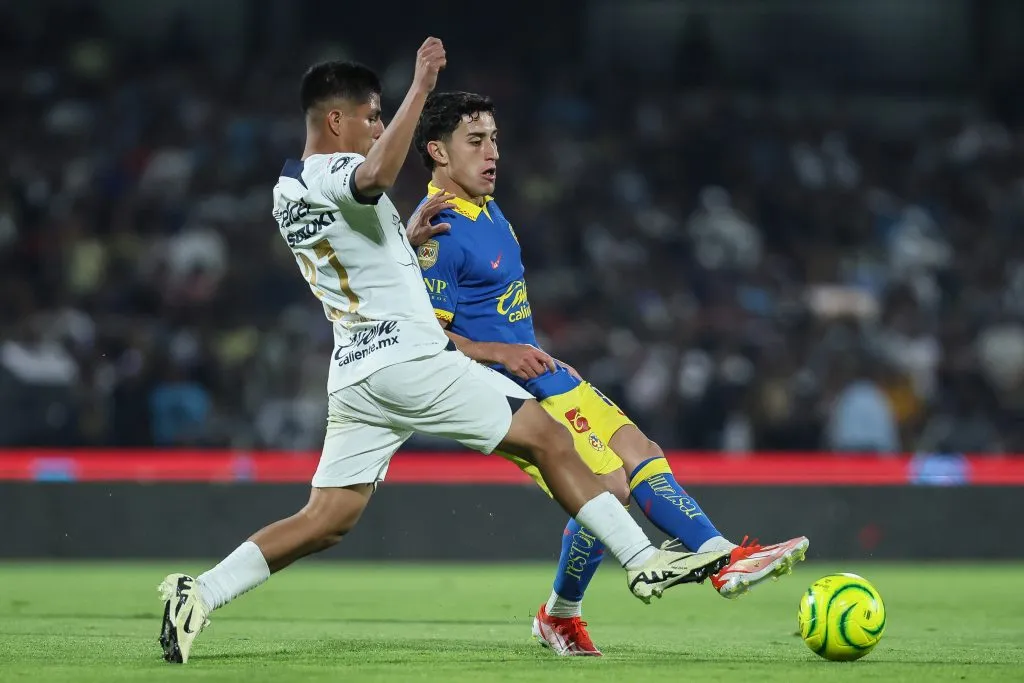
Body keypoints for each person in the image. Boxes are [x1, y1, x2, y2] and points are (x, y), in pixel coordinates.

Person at [156, 40, 732, 665]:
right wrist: (422, 87)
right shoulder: (330, 171)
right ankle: (643, 561)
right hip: (410, 358)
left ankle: (200, 592)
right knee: (546, 434)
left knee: (328, 517)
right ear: (335, 121)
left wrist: (402, 242)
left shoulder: (287, 192)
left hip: (356, 369)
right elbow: (374, 174)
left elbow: (355, 262)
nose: (378, 127)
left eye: (382, 116)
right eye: (372, 115)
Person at [411, 91, 810, 656]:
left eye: (495, 138)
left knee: (637, 449)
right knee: (610, 486)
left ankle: (578, 609)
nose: (492, 152)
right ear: (438, 152)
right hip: (506, 391)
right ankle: (718, 562)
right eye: (475, 141)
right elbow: (426, 339)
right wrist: (502, 355)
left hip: (541, 371)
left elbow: (496, 310)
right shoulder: (439, 229)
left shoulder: (488, 208)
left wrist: (526, 348)